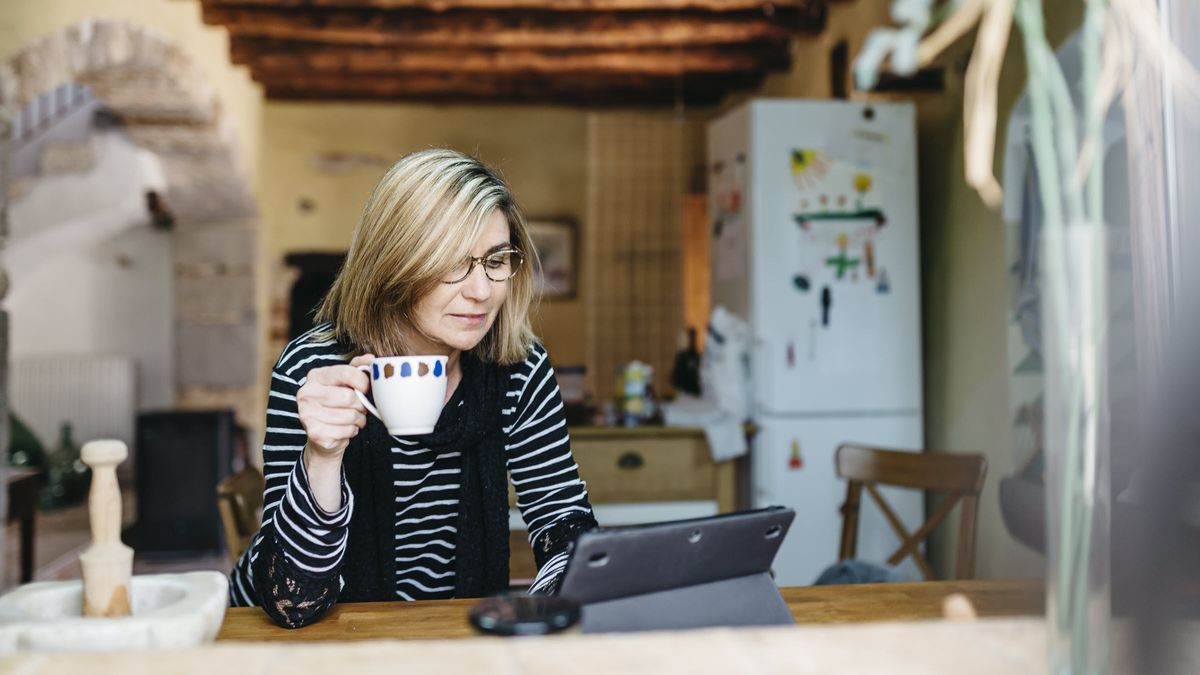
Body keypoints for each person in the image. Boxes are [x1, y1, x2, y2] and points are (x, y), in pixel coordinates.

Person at [229, 149, 598, 628]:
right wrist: (322, 456)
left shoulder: (518, 368)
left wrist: (560, 592)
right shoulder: (315, 368)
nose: (482, 291)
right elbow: (290, 604)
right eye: (453, 263)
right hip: (303, 634)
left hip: (449, 627)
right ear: (397, 264)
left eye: (495, 260)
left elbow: (561, 514)